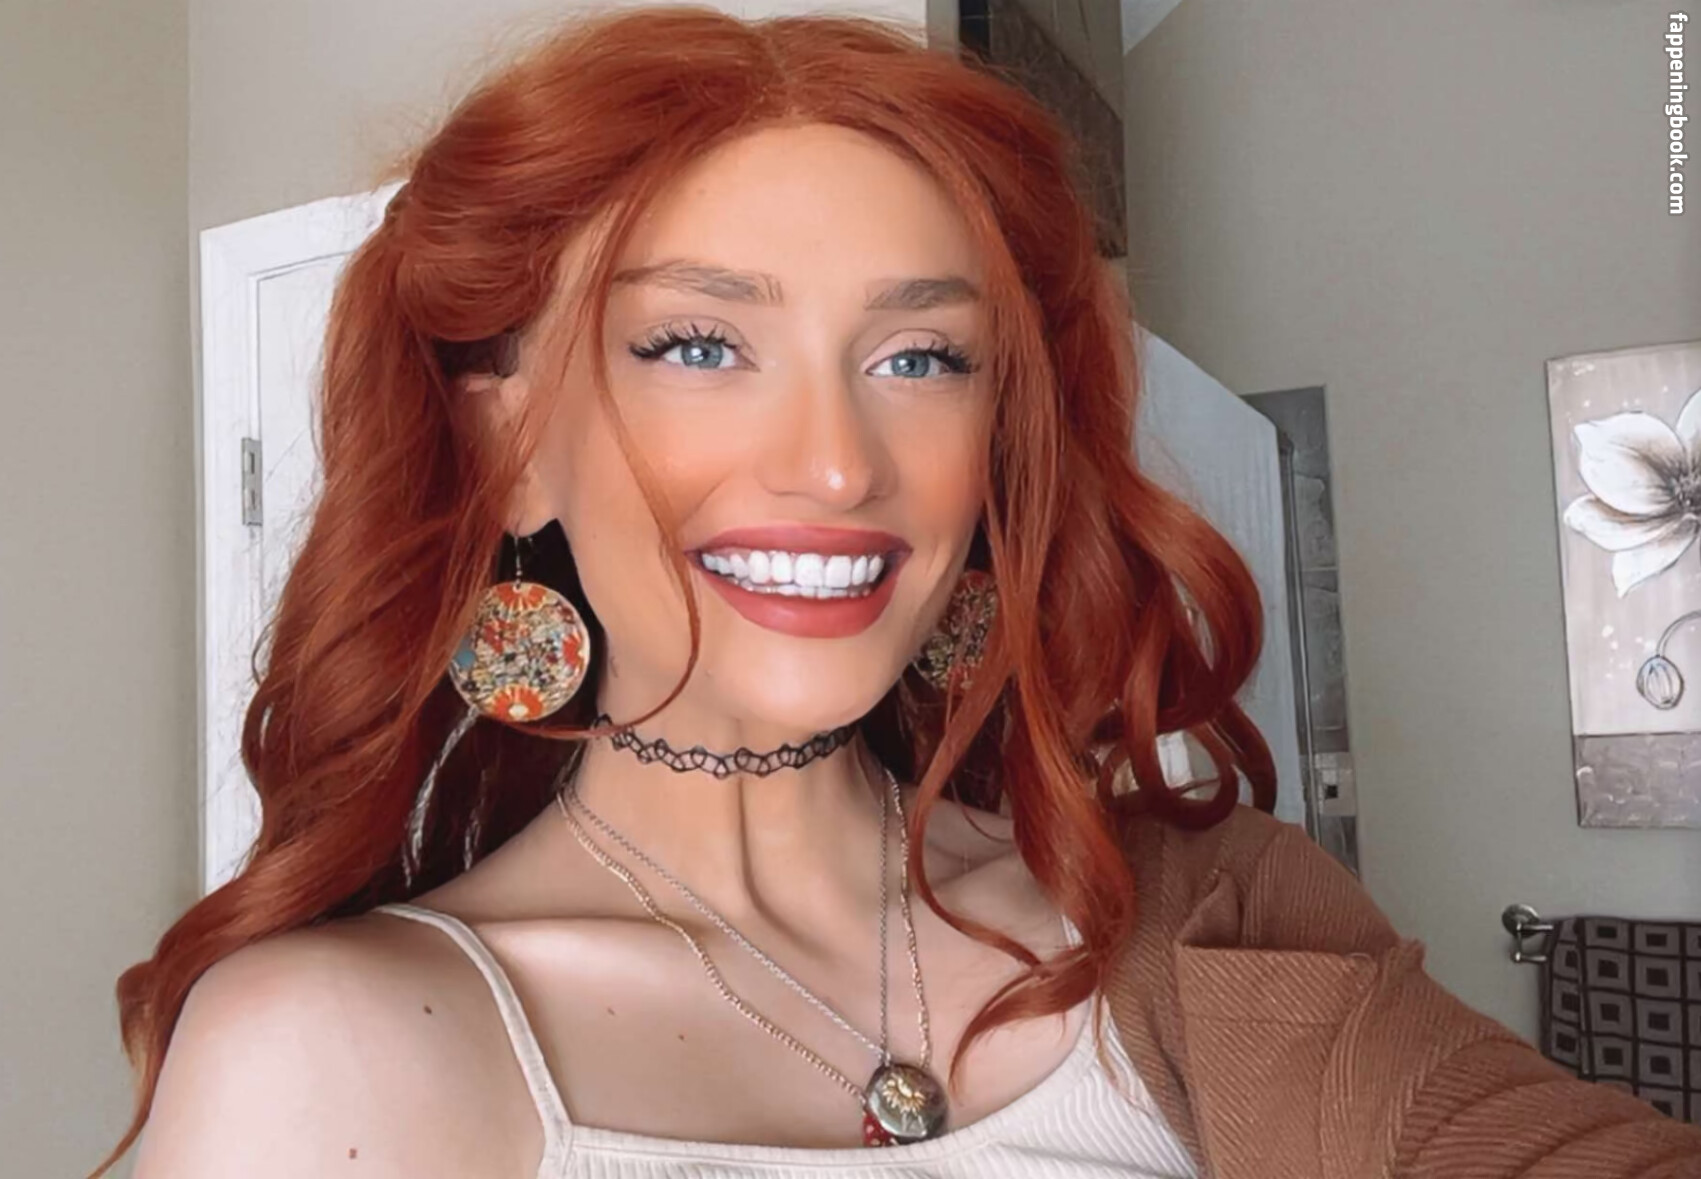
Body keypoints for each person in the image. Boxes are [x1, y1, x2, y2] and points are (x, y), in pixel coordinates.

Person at [95, 7, 1701, 1178]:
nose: (835, 462)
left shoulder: (1207, 916)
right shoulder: (327, 1056)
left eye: (920, 358)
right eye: (699, 344)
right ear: (507, 439)